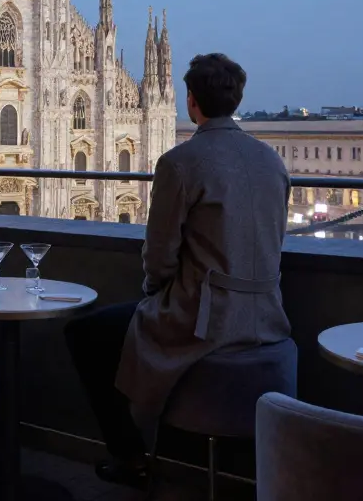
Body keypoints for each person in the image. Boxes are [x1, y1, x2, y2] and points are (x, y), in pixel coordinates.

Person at [64, 52, 291, 488]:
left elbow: (160, 256)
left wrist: (155, 291)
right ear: (236, 97)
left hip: (207, 320)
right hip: (269, 314)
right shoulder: (272, 161)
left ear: (190, 102)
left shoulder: (180, 162)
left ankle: (132, 457)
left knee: (85, 334)